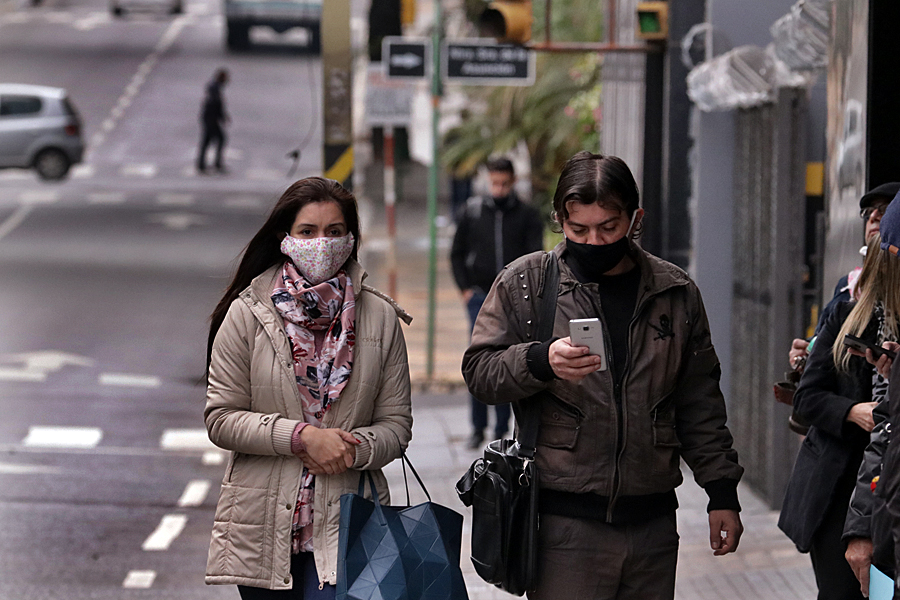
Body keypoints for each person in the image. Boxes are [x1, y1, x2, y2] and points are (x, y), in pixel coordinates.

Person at [462, 151, 744, 599]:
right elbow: (480, 372)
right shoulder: (526, 283)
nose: (594, 241)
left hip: (652, 527)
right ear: (560, 221)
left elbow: (699, 401)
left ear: (635, 219)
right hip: (563, 529)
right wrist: (540, 360)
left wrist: (722, 491)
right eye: (579, 230)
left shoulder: (675, 292)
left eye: (609, 227)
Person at [203, 177, 413, 598]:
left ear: (350, 240)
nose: (322, 243)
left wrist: (350, 449)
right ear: (285, 239)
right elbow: (221, 419)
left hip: (349, 529)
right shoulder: (247, 314)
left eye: (334, 232)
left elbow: (396, 426)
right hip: (262, 531)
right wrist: (302, 438)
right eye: (307, 231)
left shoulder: (380, 318)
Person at [778, 232, 898, 600]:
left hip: (884, 493)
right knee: (842, 591)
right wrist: (851, 412)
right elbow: (807, 397)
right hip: (838, 490)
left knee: (880, 592)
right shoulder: (846, 315)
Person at [450, 157, 544, 449]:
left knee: (508, 361)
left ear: (513, 181)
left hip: (515, 300)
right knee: (479, 361)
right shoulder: (472, 212)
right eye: (494, 183)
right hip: (479, 296)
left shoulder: (527, 215)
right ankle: (477, 427)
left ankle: (501, 429)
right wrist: (465, 289)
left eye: (504, 183)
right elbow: (456, 253)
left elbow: (536, 256)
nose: (499, 189)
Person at [788, 182, 900, 370]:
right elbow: (821, 343)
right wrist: (808, 350)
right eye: (869, 212)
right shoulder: (847, 286)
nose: (873, 216)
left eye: (884, 209)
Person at [197, 68, 230, 173]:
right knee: (219, 139)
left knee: (207, 141)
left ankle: (202, 164)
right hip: (211, 119)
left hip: (209, 118)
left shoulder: (214, 87)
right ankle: (216, 163)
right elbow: (216, 105)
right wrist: (221, 117)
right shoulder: (215, 88)